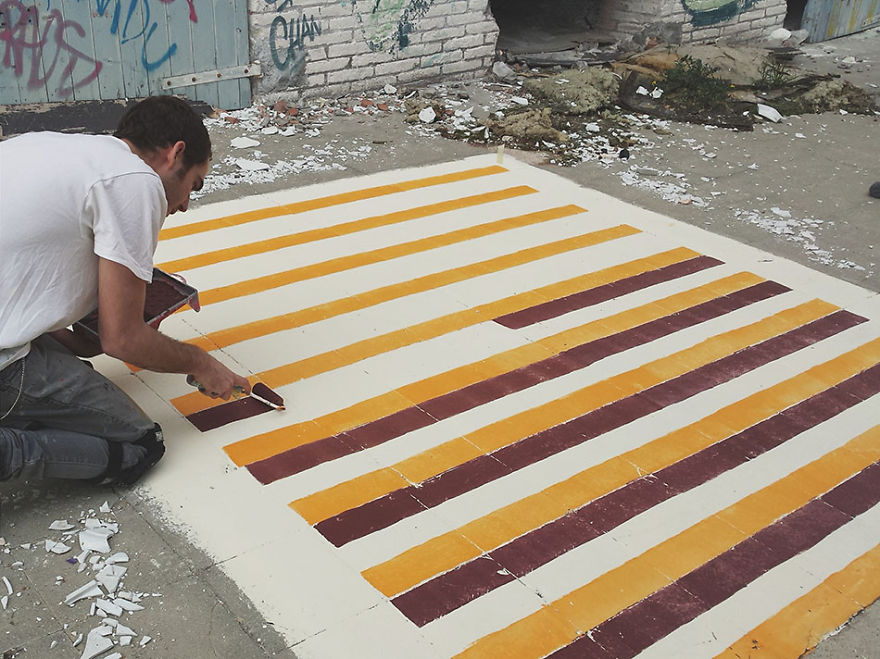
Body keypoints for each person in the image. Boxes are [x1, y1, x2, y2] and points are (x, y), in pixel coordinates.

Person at [0, 96, 251, 485]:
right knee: (139, 446)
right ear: (175, 153)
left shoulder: (45, 144)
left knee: (72, 373)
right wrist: (201, 363)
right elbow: (123, 340)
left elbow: (31, 281)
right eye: (192, 185)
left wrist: (89, 335)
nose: (184, 204)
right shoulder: (135, 181)